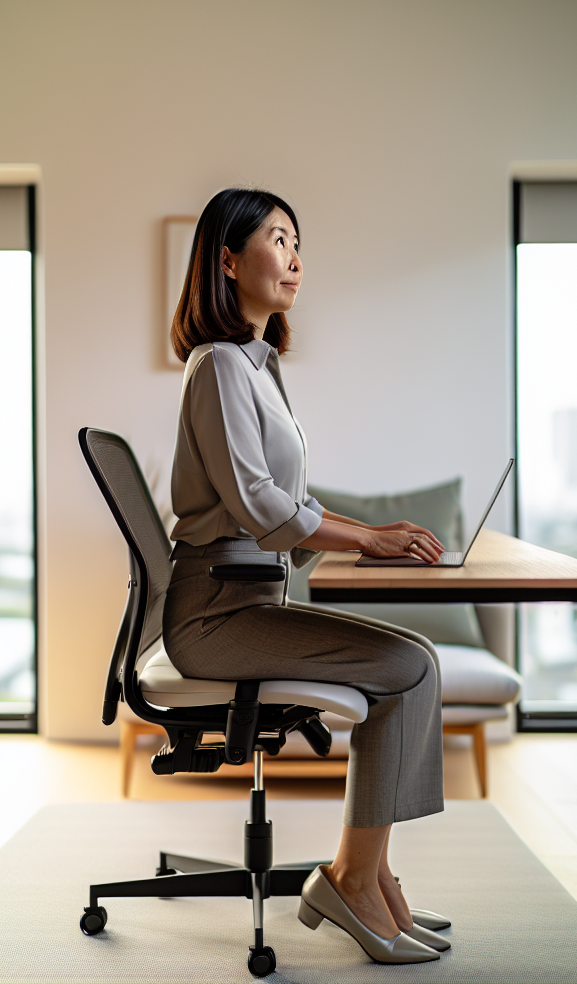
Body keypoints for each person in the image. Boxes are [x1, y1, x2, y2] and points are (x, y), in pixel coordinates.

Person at [164, 188, 452, 964]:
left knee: (413, 665)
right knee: (410, 666)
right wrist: (368, 537)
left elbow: (288, 500)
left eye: (298, 242)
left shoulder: (258, 365)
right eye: (278, 239)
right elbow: (260, 505)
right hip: (214, 617)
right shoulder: (219, 363)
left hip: (250, 600)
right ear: (228, 259)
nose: (295, 258)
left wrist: (366, 538)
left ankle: (372, 875)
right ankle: (355, 881)